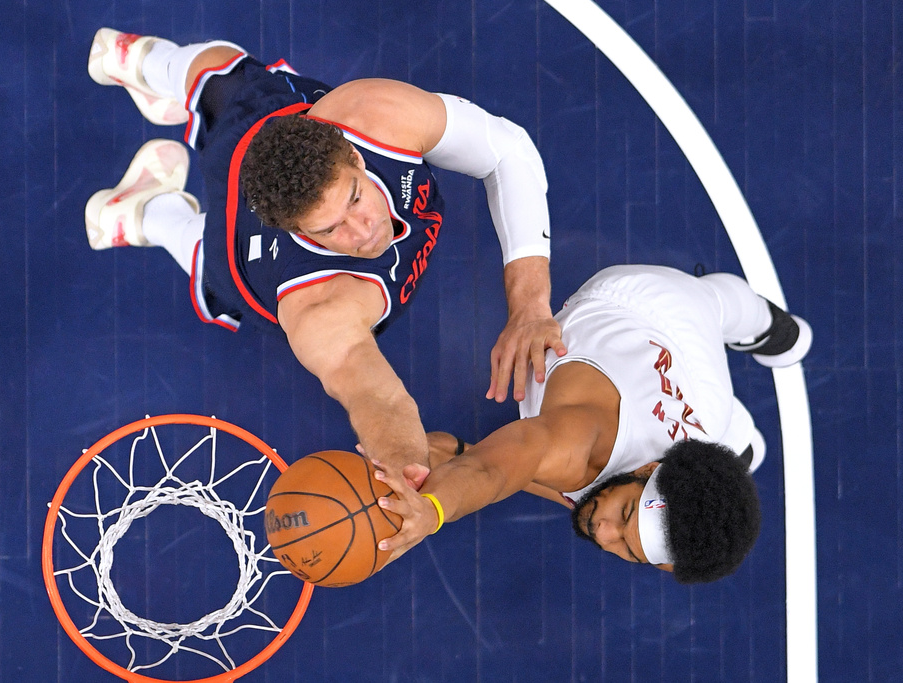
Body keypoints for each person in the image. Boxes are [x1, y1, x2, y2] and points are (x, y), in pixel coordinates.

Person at [84, 28, 564, 475]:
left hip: (270, 127)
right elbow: (378, 399)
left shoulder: (371, 116)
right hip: (246, 258)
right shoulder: (318, 310)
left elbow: (507, 151)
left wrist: (529, 306)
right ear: (292, 228)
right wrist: (406, 472)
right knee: (211, 257)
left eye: (355, 197)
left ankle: (135, 64)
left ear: (353, 156)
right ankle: (141, 213)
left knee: (221, 68)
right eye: (331, 229)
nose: (364, 230)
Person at [374, 264, 813, 583]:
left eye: (627, 548)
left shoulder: (625, 495)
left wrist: (454, 455)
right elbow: (494, 470)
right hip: (650, 301)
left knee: (724, 439)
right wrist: (432, 510)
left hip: (689, 399)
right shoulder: (578, 442)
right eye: (623, 514)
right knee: (722, 303)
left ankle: (742, 441)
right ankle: (771, 325)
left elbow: (521, 477)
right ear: (645, 471)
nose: (605, 536)